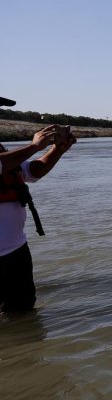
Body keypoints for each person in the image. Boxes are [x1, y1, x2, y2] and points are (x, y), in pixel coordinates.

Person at [0, 123, 77, 313]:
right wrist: (34, 146)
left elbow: (31, 171)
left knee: (23, 313)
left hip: (16, 251)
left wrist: (57, 150)